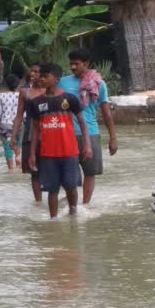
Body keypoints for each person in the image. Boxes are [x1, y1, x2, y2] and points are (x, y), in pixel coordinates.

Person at [28, 63, 92, 218]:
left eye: (45, 76)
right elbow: (35, 129)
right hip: (48, 154)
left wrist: (88, 145)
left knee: (71, 186)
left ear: (56, 79)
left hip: (70, 152)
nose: (41, 79)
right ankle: (53, 219)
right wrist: (32, 154)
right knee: (52, 189)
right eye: (41, 76)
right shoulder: (35, 103)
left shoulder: (69, 99)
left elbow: (82, 122)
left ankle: (73, 213)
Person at [59, 48, 118, 205]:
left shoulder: (99, 84)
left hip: (91, 133)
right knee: (67, 171)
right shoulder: (62, 82)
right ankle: (72, 201)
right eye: (71, 64)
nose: (72, 67)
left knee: (90, 172)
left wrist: (113, 138)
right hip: (66, 133)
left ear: (86, 64)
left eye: (76, 64)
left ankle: (85, 205)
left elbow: (106, 114)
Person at [11, 63, 45, 201]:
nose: (32, 74)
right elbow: (19, 115)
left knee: (52, 167)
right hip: (30, 133)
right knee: (34, 171)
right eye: (31, 71)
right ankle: (38, 201)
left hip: (49, 132)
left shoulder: (50, 91)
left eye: (36, 72)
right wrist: (14, 136)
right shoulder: (25, 92)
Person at [0, 75, 22, 171]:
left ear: (6, 85)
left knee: (7, 147)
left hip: (5, 124)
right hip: (19, 124)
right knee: (18, 145)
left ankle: (11, 169)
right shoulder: (22, 95)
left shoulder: (1, 96)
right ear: (18, 84)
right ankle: (19, 166)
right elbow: (24, 112)